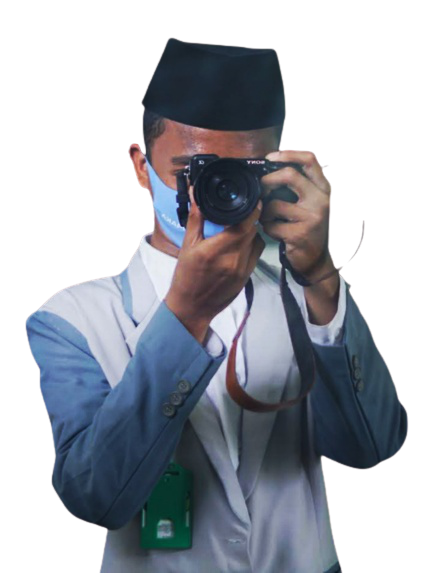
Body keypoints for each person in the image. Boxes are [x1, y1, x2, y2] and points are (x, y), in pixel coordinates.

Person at [25, 38, 408, 573]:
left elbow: (370, 448)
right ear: (141, 166)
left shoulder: (305, 288)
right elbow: (95, 498)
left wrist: (321, 275)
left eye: (242, 172)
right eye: (194, 170)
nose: (218, 191)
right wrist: (185, 317)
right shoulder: (73, 317)